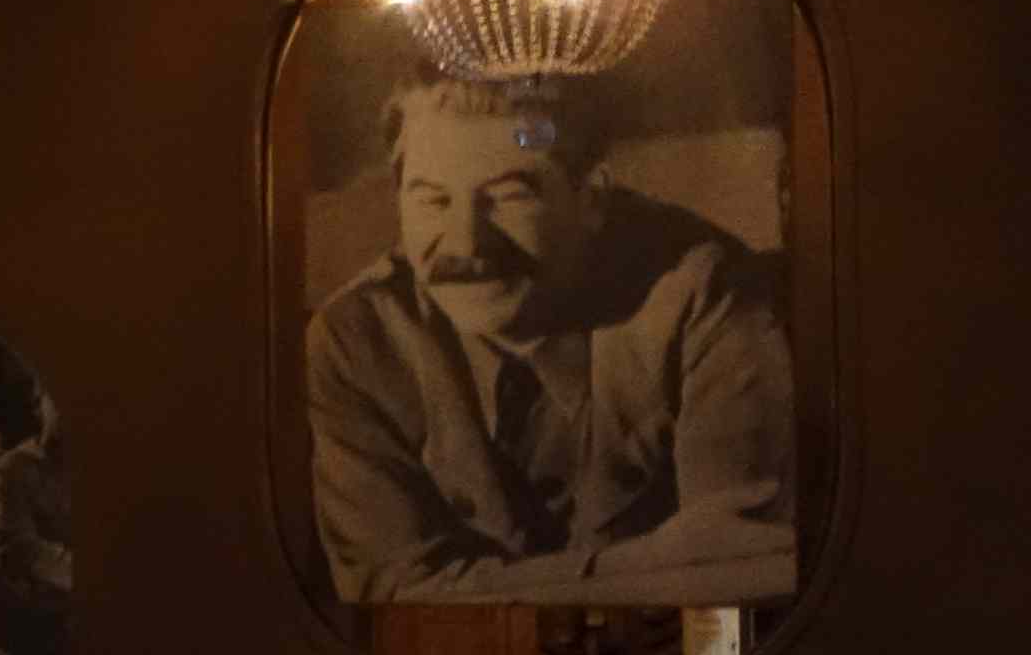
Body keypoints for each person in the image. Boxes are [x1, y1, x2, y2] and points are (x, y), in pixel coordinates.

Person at [304, 71, 795, 605]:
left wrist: (473, 589)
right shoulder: (356, 340)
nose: (467, 244)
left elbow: (751, 561)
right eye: (433, 202)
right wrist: (648, 565)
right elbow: (393, 593)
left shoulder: (704, 292)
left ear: (593, 198)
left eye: (508, 197)